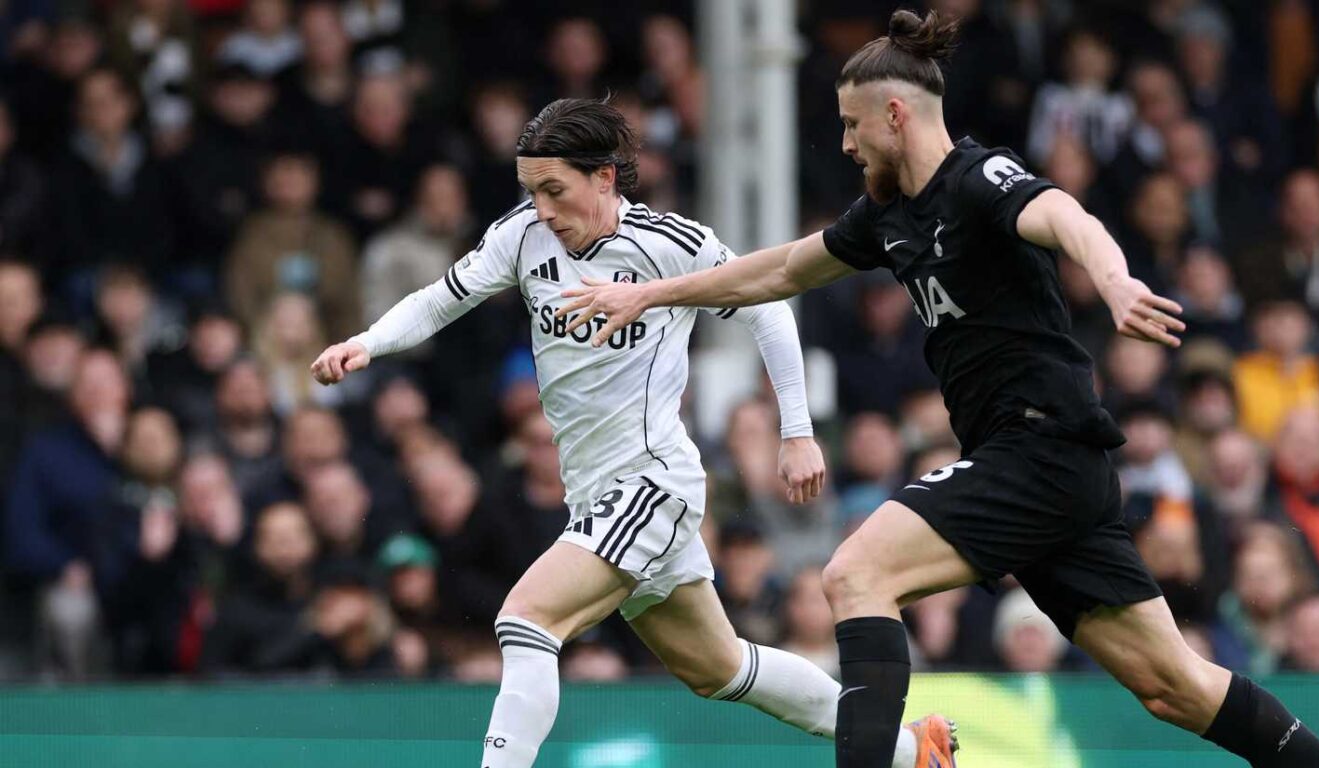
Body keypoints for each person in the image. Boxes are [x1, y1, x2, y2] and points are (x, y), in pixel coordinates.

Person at [562, 11, 1319, 768]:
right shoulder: (888, 214)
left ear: (896, 114)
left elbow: (1066, 215)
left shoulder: (979, 179)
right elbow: (777, 269)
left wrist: (1114, 283)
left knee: (854, 574)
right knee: (1174, 686)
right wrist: (649, 295)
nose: (843, 143)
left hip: (1040, 449)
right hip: (1043, 471)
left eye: (851, 124)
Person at [309, 98, 935, 768]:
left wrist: (797, 431)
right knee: (720, 669)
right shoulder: (523, 237)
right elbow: (442, 296)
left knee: (526, 619)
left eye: (554, 190)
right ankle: (913, 752)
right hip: (595, 496)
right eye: (531, 191)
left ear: (605, 178)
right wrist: (368, 343)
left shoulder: (669, 244)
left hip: (651, 484)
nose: (543, 208)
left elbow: (770, 308)